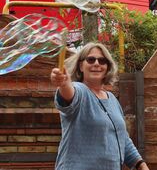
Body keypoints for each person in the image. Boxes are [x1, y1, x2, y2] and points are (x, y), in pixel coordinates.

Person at [50, 42, 149, 170]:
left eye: (102, 61)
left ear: (107, 67)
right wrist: (64, 84)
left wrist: (140, 164)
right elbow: (69, 96)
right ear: (81, 66)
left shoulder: (112, 99)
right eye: (91, 60)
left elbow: (122, 137)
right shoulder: (80, 91)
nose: (96, 63)